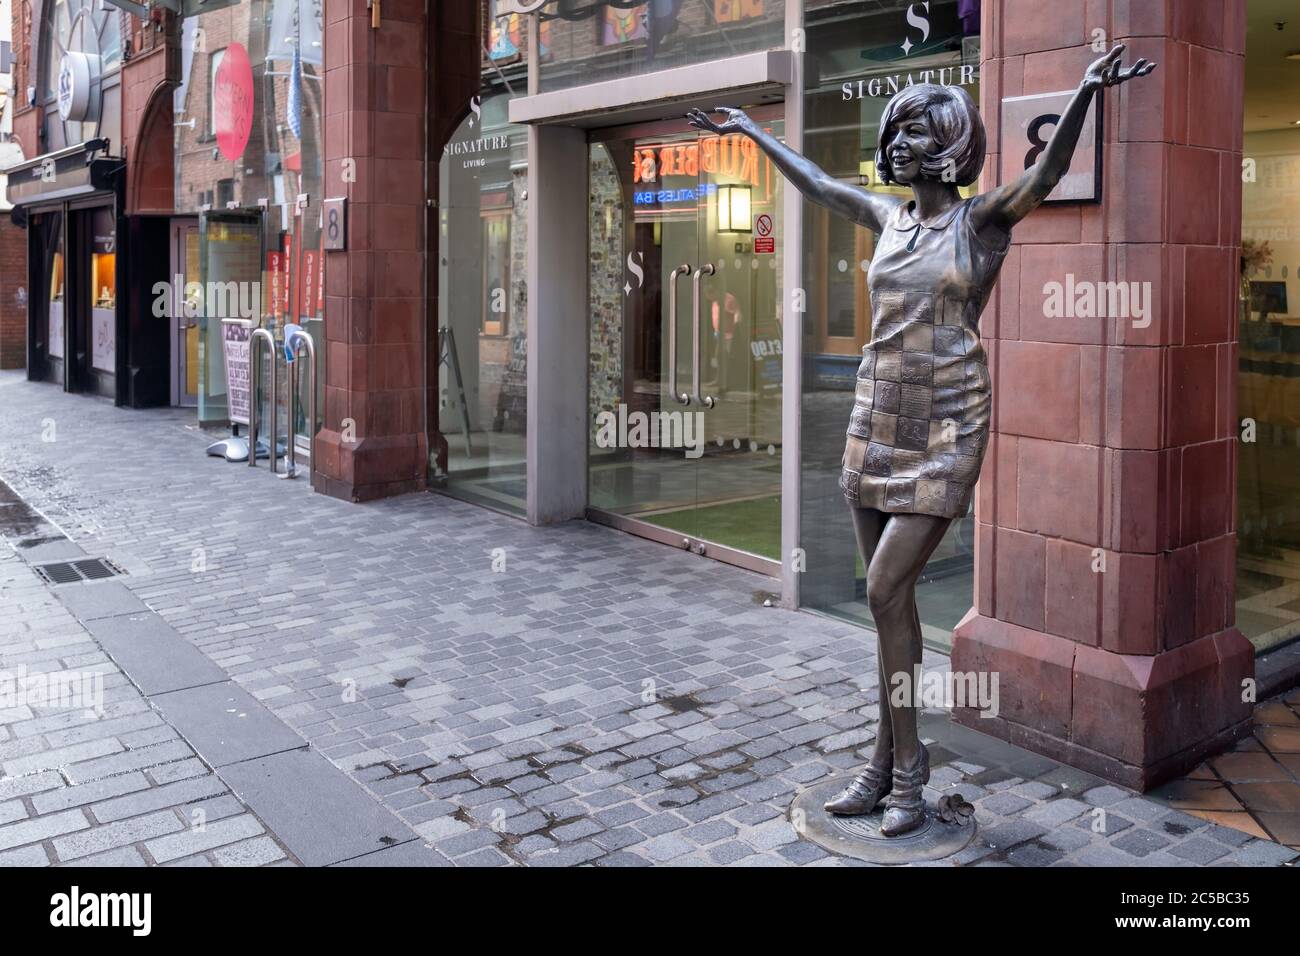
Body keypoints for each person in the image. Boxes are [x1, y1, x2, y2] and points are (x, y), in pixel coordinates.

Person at [688, 44, 1155, 837]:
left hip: (947, 423)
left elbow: (1045, 177)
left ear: (944, 145)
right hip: (878, 417)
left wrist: (1082, 93)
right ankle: (880, 768)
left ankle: (910, 776)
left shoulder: (980, 222)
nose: (894, 145)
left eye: (910, 133)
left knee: (880, 590)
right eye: (892, 132)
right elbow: (821, 184)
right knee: (889, 608)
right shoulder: (888, 216)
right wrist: (751, 132)